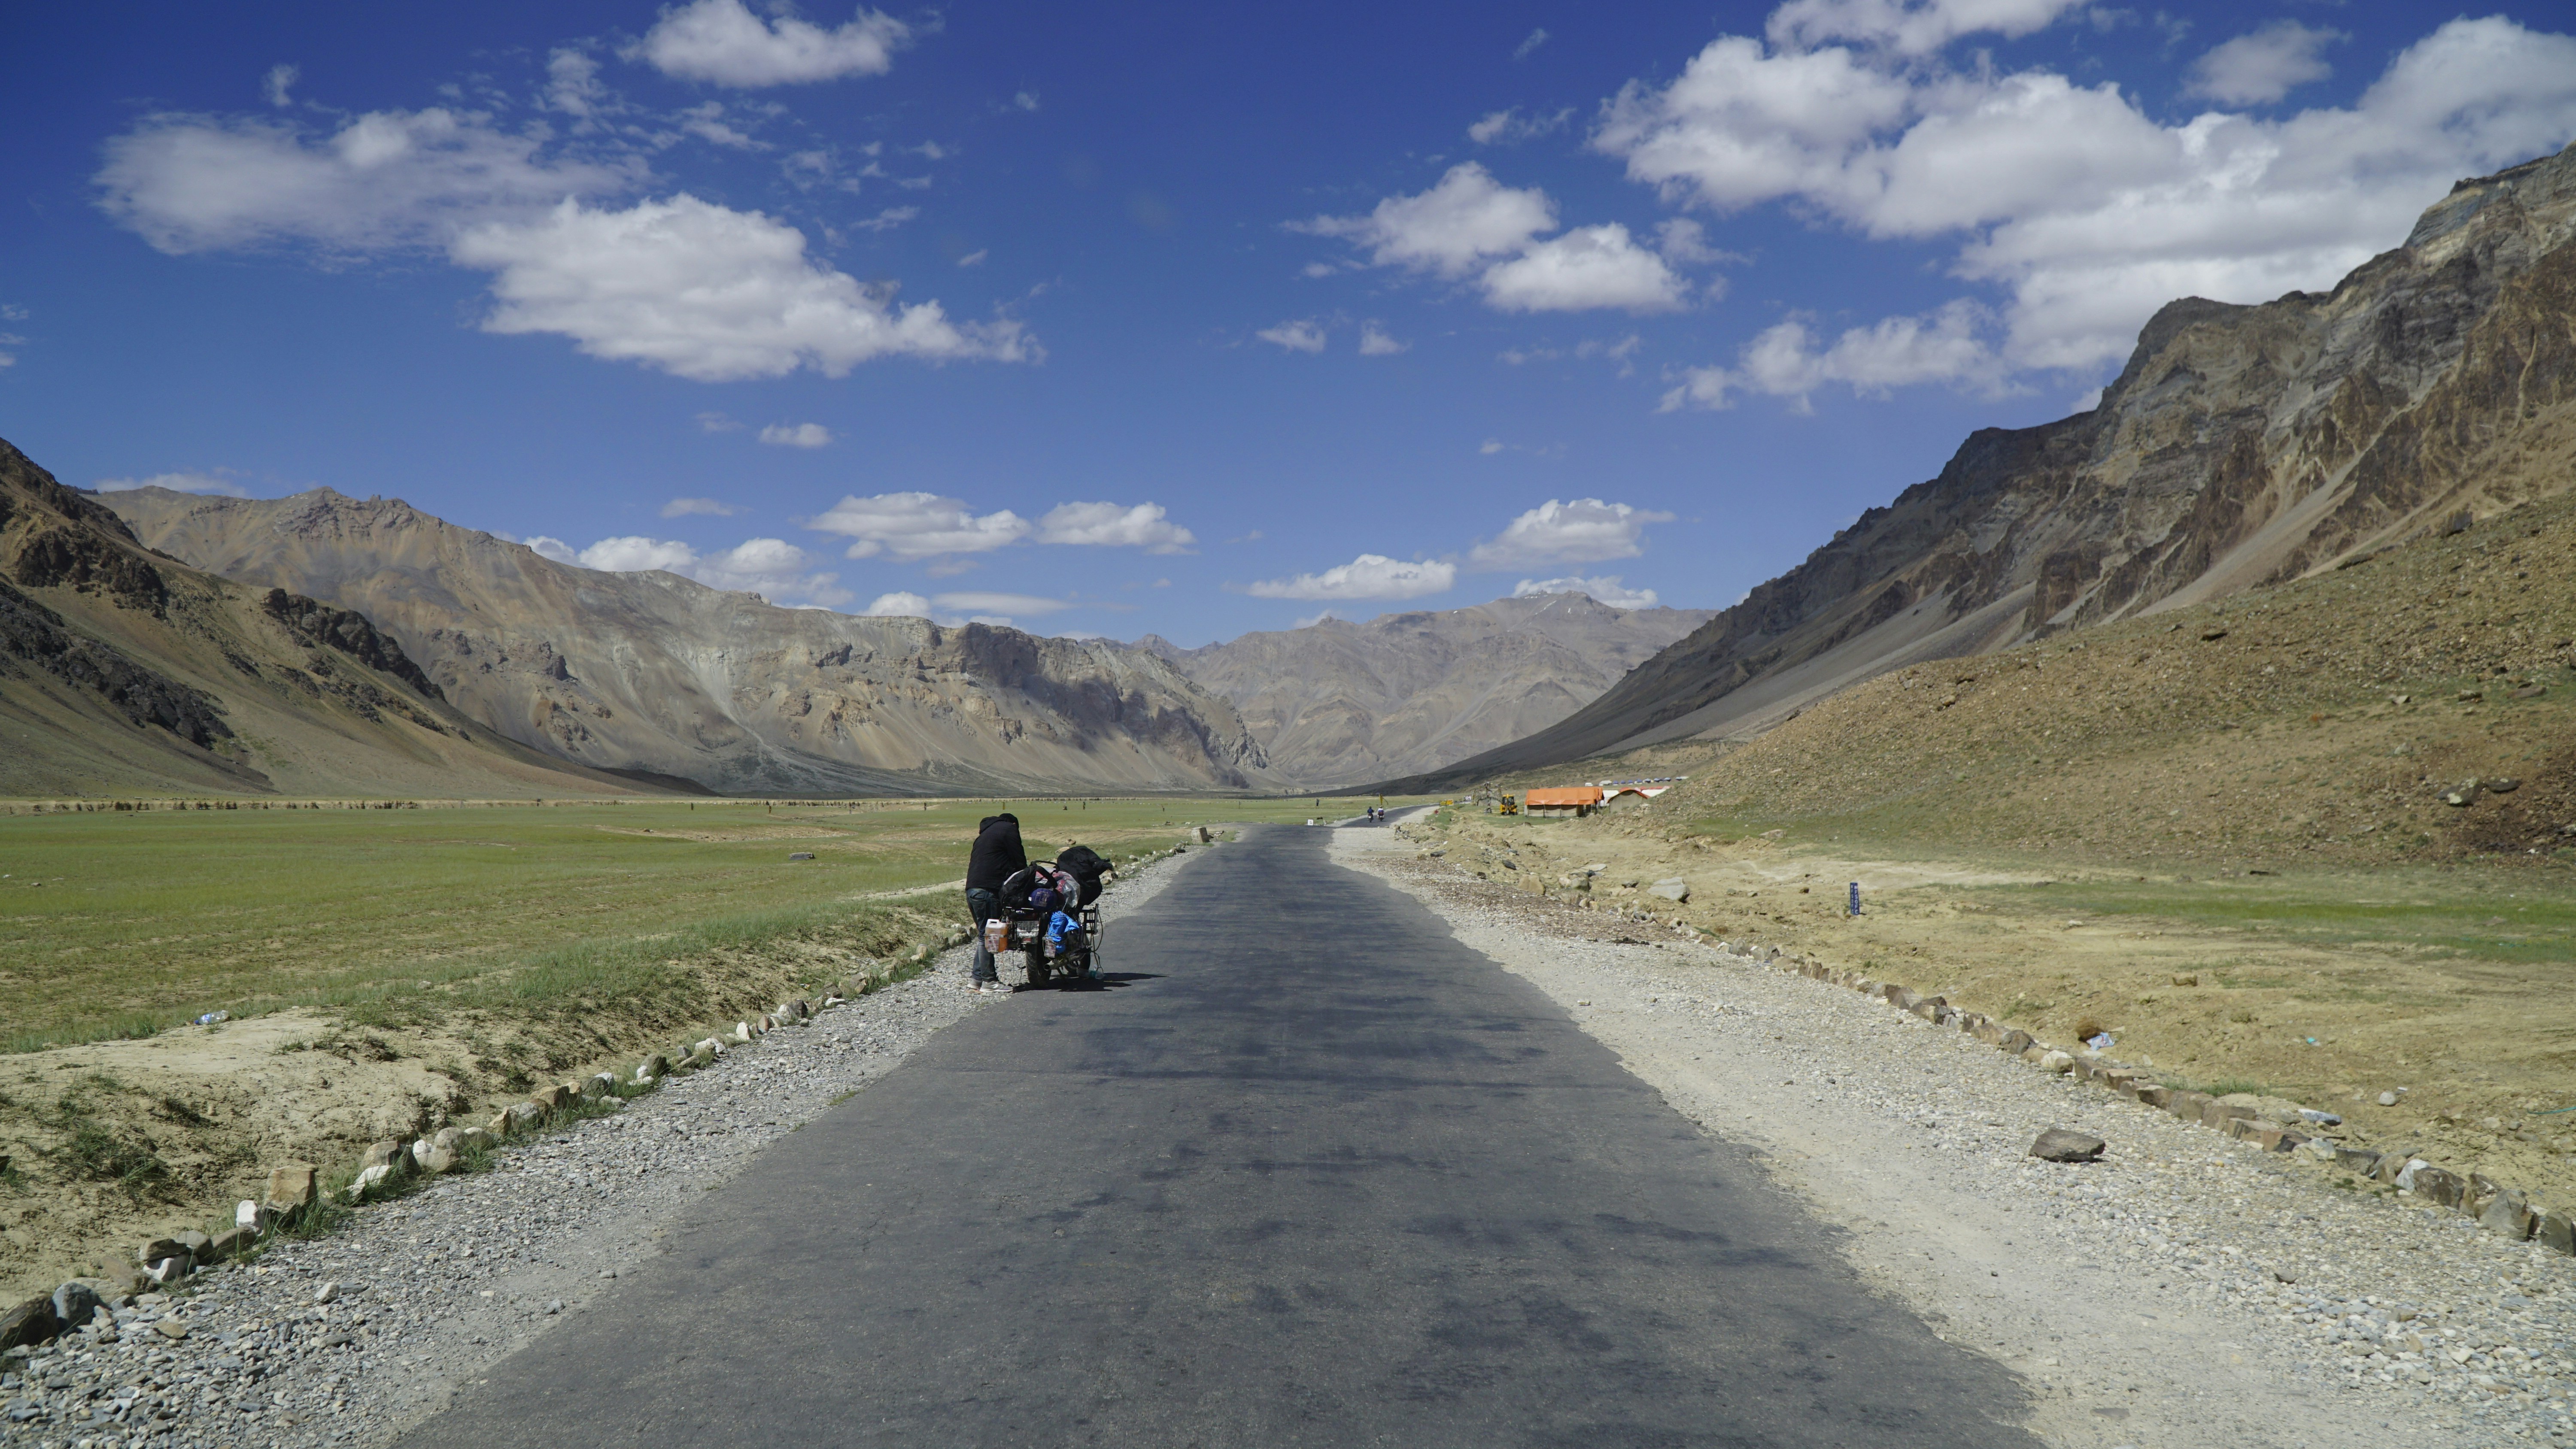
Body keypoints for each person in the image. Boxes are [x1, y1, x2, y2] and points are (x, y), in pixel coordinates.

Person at [965, 812, 1026, 994]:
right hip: (988, 891)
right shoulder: (1009, 829)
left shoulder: (985, 834)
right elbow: (1020, 862)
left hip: (972, 890)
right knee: (989, 935)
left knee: (984, 934)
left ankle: (976, 979)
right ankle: (990, 982)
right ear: (1014, 823)